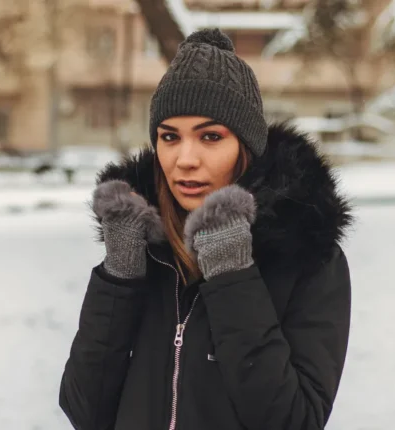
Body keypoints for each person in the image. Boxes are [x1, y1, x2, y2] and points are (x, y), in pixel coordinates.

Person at [59, 28, 353, 430]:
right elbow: (84, 411)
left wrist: (231, 274)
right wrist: (120, 277)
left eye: (210, 137)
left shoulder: (308, 258)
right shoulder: (141, 247)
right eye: (169, 137)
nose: (185, 159)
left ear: (245, 148)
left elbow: (293, 422)